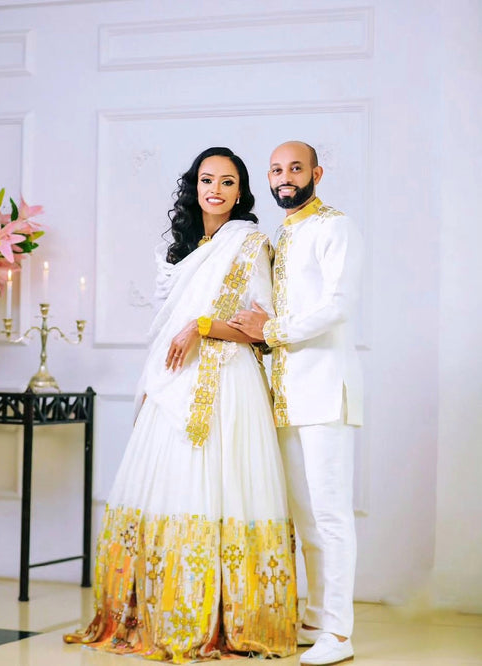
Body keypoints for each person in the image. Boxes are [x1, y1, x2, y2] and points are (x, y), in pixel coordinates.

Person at [64, 147, 297, 662]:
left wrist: (202, 327)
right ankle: (158, 612)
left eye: (228, 181)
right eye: (207, 179)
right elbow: (168, 323)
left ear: (241, 192)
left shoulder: (250, 243)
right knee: (168, 487)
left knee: (223, 488)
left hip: (227, 385)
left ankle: (225, 618)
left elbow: (261, 330)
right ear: (195, 187)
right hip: (175, 381)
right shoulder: (184, 251)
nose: (216, 189)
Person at [229, 141, 363, 666]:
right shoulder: (281, 235)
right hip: (284, 392)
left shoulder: (335, 227)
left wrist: (273, 330)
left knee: (331, 516)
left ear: (316, 173)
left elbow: (338, 305)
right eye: (277, 170)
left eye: (296, 168)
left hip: (325, 389)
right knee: (305, 517)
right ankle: (315, 618)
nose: (286, 177)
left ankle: (341, 632)